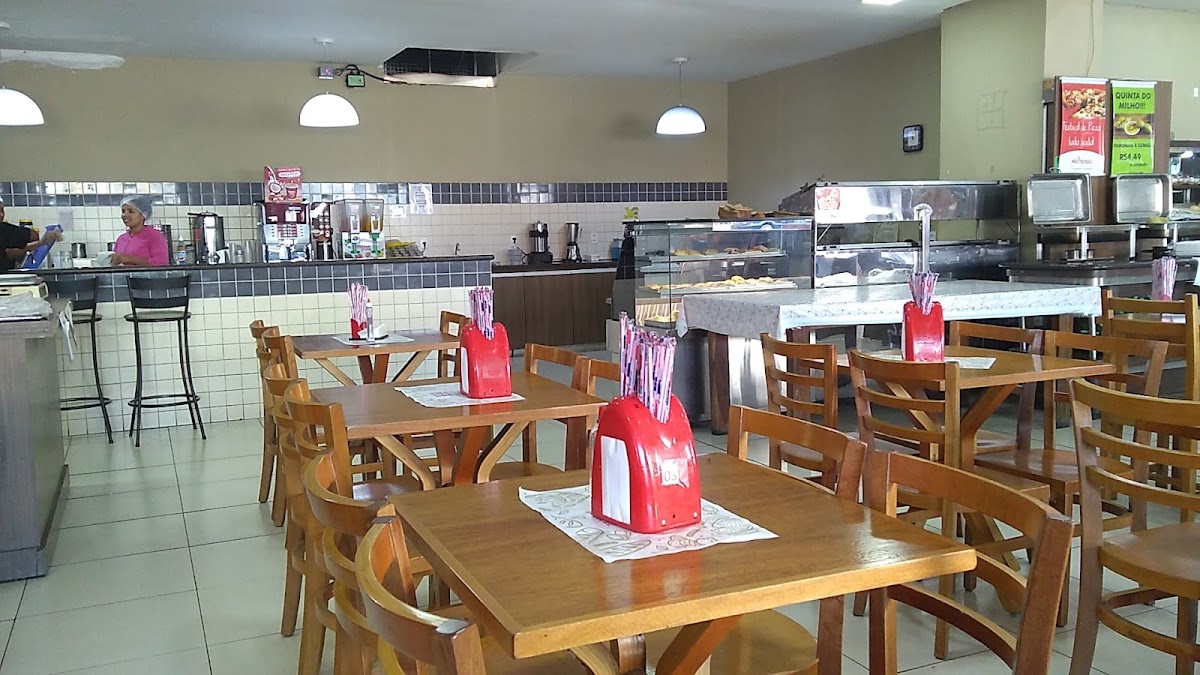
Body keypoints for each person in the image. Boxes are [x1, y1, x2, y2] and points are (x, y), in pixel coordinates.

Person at [0, 197, 60, 273]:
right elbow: (33, 235)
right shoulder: (3, 229)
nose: (2, 214)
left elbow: (8, 253)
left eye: (2, 210)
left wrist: (40, 243)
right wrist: (41, 242)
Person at [112, 195, 169, 267]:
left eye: (131, 211)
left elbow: (162, 263)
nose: (124, 215)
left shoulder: (155, 236)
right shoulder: (121, 239)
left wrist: (130, 259)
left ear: (143, 215)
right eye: (123, 211)